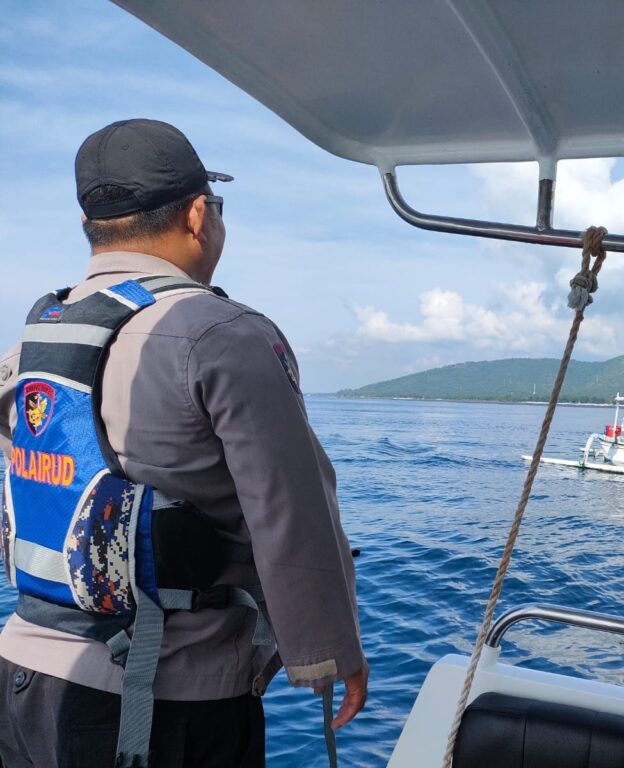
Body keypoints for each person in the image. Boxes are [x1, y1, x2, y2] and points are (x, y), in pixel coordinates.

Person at [0, 119, 367, 767]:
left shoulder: (39, 336)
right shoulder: (223, 334)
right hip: (160, 699)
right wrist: (327, 652)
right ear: (199, 215)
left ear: (90, 221)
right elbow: (291, 511)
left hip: (23, 673)